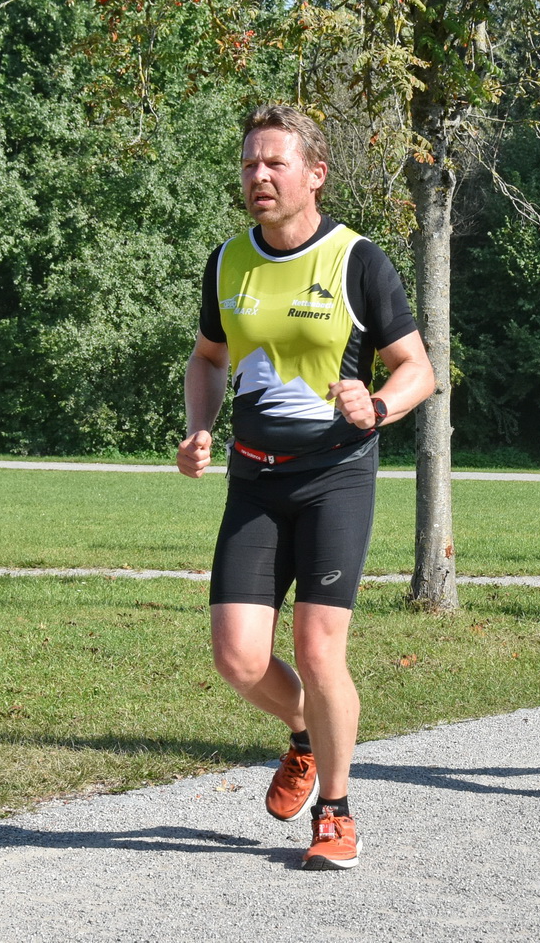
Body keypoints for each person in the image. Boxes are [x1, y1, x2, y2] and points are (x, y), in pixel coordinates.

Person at [177, 104, 435, 869]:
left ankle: (337, 810)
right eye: (250, 162)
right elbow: (208, 358)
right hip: (254, 478)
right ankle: (306, 737)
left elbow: (418, 368)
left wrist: (379, 403)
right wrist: (198, 425)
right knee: (236, 656)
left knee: (319, 649)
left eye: (274, 163)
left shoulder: (359, 260)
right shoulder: (228, 261)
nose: (258, 176)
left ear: (315, 174)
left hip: (335, 477)